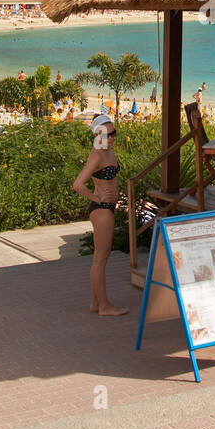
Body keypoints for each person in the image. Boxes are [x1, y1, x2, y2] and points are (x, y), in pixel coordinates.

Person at [73, 114, 128, 317]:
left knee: (101, 257)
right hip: (102, 210)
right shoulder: (97, 154)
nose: (111, 137)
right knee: (101, 259)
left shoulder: (108, 151)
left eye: (114, 133)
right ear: (97, 134)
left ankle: (96, 302)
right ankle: (104, 306)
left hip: (107, 208)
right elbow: (78, 184)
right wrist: (96, 199)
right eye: (107, 134)